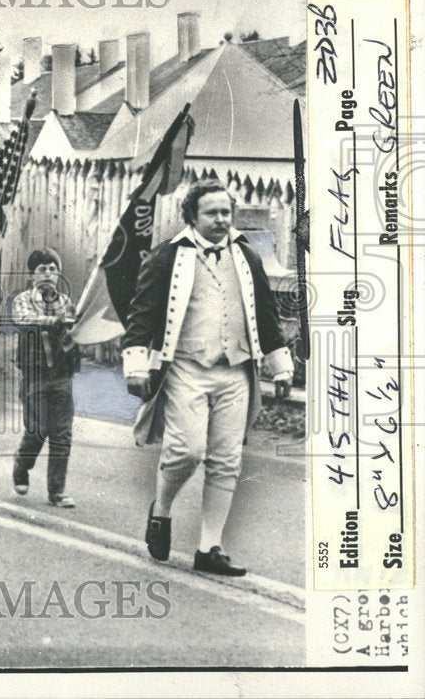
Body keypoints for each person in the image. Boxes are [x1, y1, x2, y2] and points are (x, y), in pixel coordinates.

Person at [123, 180, 294, 577]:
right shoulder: (168, 257)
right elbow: (142, 314)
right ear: (192, 216)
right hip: (186, 367)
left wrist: (280, 364)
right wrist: (135, 364)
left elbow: (265, 314)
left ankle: (209, 547)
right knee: (188, 450)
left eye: (225, 212)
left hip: (235, 370)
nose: (221, 220)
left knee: (226, 460)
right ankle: (161, 511)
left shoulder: (248, 257)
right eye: (211, 213)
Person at [11, 248, 80, 508]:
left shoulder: (66, 302)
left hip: (61, 374)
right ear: (31, 275)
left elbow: (74, 331)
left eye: (53, 269)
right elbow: (23, 320)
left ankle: (57, 491)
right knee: (37, 430)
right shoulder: (23, 300)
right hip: (34, 374)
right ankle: (22, 463)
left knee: (62, 433)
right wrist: (55, 321)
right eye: (42, 269)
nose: (48, 274)